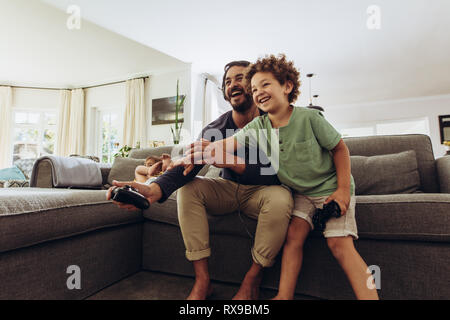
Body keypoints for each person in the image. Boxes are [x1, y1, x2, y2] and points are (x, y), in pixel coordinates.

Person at [176, 54, 379, 300]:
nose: (258, 91)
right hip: (302, 195)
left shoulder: (310, 118)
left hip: (331, 189)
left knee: (339, 245)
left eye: (265, 84)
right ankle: (284, 296)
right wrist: (198, 152)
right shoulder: (258, 127)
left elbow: (340, 149)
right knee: (292, 238)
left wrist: (343, 190)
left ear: (287, 86)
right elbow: (224, 144)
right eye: (254, 89)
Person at [107, 60, 294, 300]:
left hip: (266, 191)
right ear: (225, 94)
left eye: (240, 79)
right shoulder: (215, 128)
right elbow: (189, 165)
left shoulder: (276, 121)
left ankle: (252, 279)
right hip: (229, 189)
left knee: (282, 198)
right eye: (227, 81)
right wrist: (154, 188)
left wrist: (230, 161)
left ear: (254, 85)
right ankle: (203, 281)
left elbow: (281, 172)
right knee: (188, 189)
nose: (233, 85)